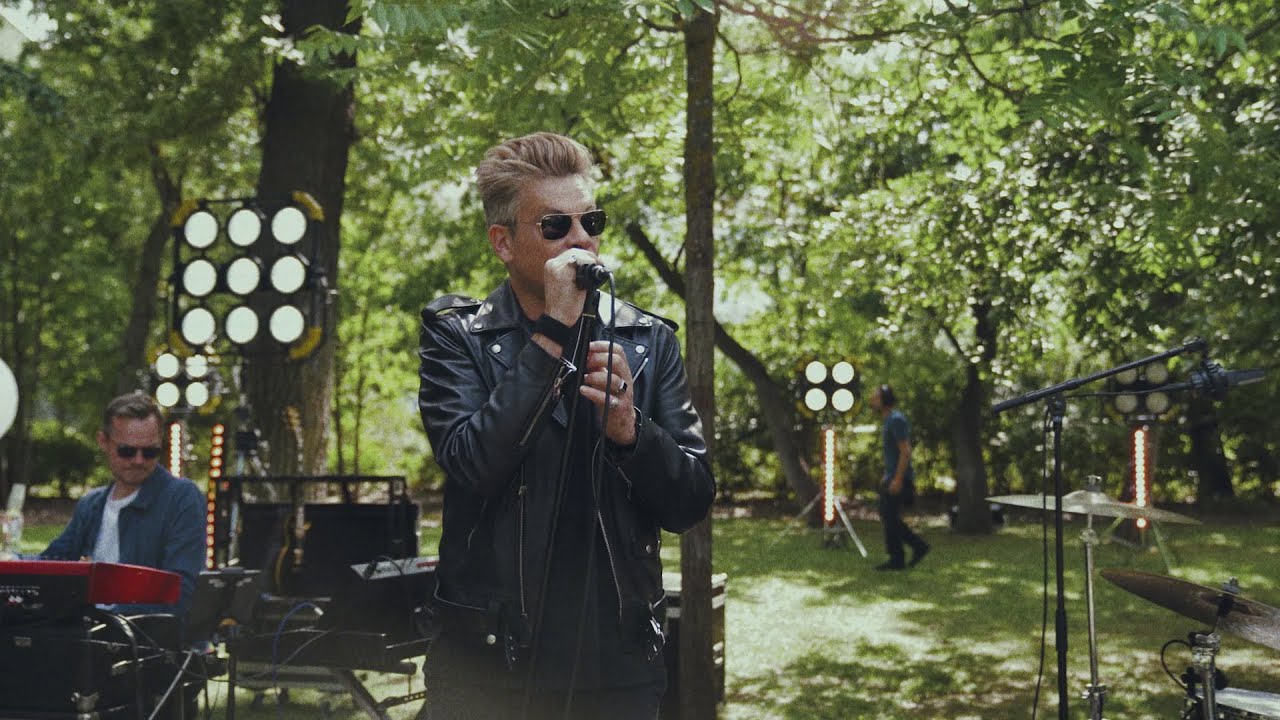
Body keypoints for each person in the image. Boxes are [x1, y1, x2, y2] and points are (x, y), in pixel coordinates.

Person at [417, 131, 716, 719]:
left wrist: (632, 432)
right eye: (556, 226)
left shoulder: (649, 340)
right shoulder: (458, 336)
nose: (581, 239)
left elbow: (690, 501)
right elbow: (473, 462)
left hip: (614, 666)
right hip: (488, 663)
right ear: (502, 242)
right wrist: (553, 331)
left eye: (591, 220)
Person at [40, 391, 205, 616]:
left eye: (150, 452)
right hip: (89, 637)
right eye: (127, 451)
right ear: (103, 442)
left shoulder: (181, 497)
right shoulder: (92, 504)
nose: (138, 460)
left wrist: (110, 621)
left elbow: (181, 590)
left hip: (144, 643)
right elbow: (50, 564)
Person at [869, 384, 929, 571]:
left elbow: (905, 451)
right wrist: (888, 475)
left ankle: (903, 555)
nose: (872, 400)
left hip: (901, 478)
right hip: (892, 476)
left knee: (889, 516)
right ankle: (910, 551)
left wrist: (897, 479)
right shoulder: (888, 420)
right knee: (888, 516)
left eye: (876, 397)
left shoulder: (896, 420)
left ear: (885, 400)